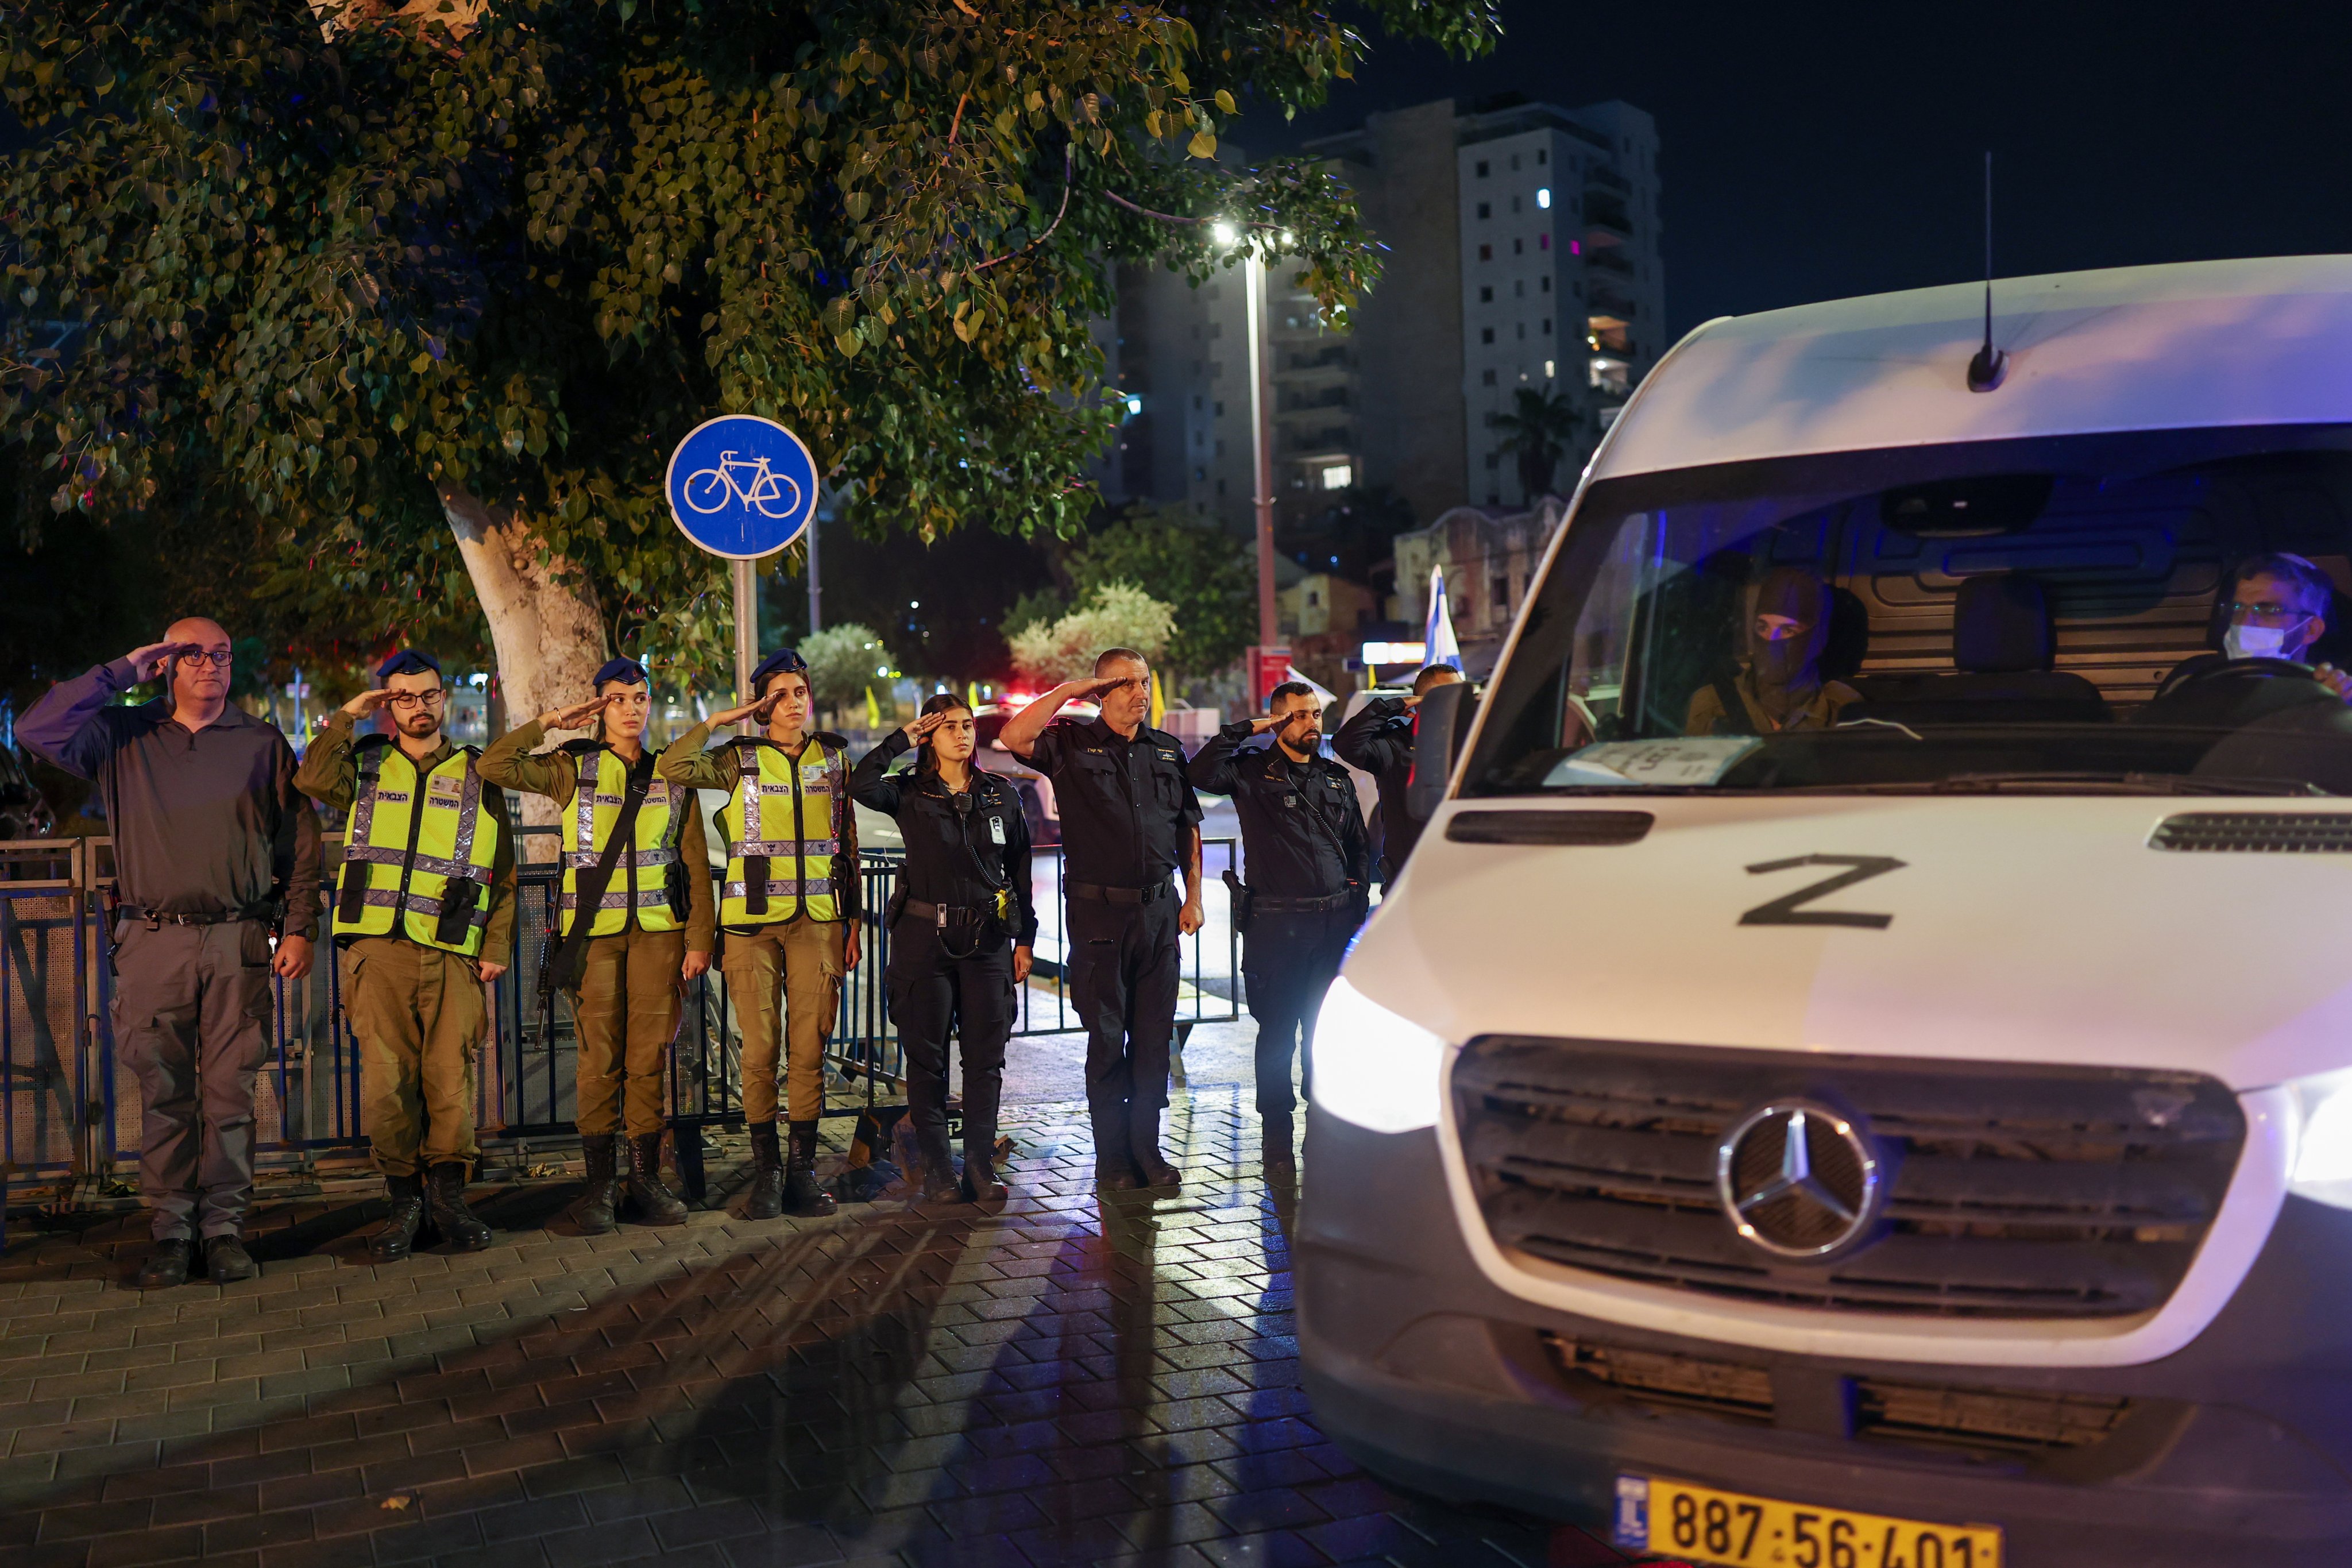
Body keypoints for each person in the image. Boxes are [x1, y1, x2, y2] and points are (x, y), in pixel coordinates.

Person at [18, 619, 320, 1288]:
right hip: (153, 940)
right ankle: (172, 1231)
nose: (210, 665)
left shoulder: (261, 743)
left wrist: (299, 926)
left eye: (221, 654)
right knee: (164, 1093)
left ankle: (224, 1230)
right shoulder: (124, 736)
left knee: (231, 1093)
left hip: (238, 939)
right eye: (192, 654)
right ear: (167, 663)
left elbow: (298, 843)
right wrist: (123, 669)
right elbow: (37, 729)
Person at [478, 657, 713, 1232]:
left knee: (647, 1062)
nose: (631, 709)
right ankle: (599, 1190)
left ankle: (644, 1182)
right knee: (598, 1064)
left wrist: (699, 939)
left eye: (639, 697)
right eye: (617, 698)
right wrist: (558, 719)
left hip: (658, 938)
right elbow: (494, 763)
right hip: (592, 942)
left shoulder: (671, 773)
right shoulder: (570, 768)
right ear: (599, 706)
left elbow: (697, 865)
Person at [295, 650, 515, 1260]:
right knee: (388, 1085)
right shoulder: (364, 764)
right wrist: (346, 715)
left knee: (451, 1082)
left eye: (428, 695)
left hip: (452, 954)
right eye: (404, 697)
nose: (419, 707)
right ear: (387, 703)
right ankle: (403, 1205)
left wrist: (495, 946)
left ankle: (448, 1202)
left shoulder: (481, 770)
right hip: (378, 951)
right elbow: (310, 779)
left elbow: (506, 871)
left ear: (444, 698)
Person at [658, 649, 857, 1218]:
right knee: (762, 1049)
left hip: (818, 922)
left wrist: (854, 920)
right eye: (779, 696)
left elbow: (848, 846)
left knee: (810, 1049)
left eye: (800, 692)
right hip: (749, 925)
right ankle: (767, 1174)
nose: (794, 704)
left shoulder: (834, 758)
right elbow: (674, 767)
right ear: (762, 705)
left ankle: (801, 1175)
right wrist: (723, 719)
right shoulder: (736, 758)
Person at [1000, 648, 1204, 1192]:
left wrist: (1194, 897)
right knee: (1108, 1039)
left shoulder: (1166, 751)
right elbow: (1013, 738)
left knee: (1154, 1038)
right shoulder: (1070, 742)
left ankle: (1147, 1150)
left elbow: (1188, 828)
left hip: (1160, 913)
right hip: (1098, 916)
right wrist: (1070, 688)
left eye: (1145, 682)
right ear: (1103, 692)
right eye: (1128, 684)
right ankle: (1112, 1158)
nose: (1141, 693)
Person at [849, 695, 1037, 1203]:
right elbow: (859, 782)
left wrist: (1026, 939)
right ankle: (937, 1169)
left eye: (968, 725)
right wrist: (900, 739)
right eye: (948, 727)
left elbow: (1019, 870)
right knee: (927, 1061)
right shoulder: (909, 792)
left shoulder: (1000, 793)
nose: (961, 734)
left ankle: (978, 1164)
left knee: (984, 1059)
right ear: (929, 736)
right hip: (923, 942)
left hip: (987, 942)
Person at [1188, 681, 1370, 1175]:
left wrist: (1355, 899)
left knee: (1322, 1034)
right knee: (1276, 1035)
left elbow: (1358, 846)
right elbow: (1200, 772)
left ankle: (1321, 1131)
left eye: (1315, 714)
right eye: (1300, 715)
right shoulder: (1251, 773)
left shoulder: (1335, 778)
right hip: (1276, 928)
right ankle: (1275, 1141)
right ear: (1278, 721)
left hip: (1332, 926)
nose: (1312, 723)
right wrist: (1248, 729)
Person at [1685, 565, 1863, 736]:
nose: (1771, 641)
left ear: (1817, 639)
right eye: (1763, 627)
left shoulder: (1842, 707)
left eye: (1788, 630)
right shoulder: (1711, 704)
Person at [2156, 553, 2352, 702]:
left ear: (2310, 630)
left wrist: (2335, 706)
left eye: (2269, 610)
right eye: (2238, 608)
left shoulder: (2329, 690)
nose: (2244, 622)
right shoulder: (2193, 679)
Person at [1334, 662, 1463, 885]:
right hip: (1410, 883)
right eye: (1449, 696)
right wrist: (1391, 707)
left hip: (1463, 879)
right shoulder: (1394, 745)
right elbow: (1345, 743)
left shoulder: (1472, 745)